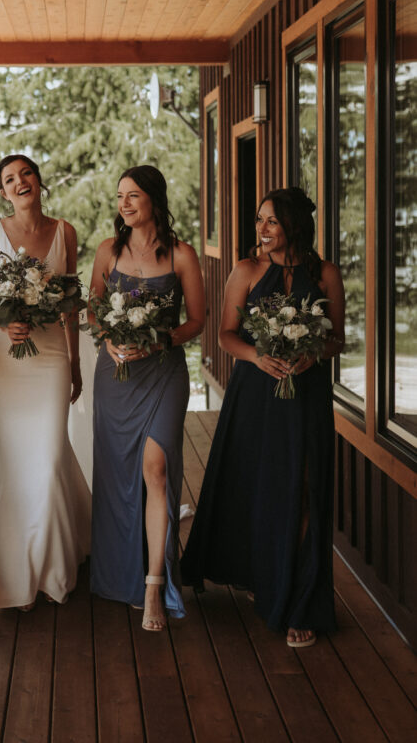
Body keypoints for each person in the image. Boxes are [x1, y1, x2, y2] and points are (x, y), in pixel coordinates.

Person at [181, 187, 345, 648]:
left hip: (307, 394)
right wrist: (257, 357)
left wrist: (314, 355)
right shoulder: (247, 271)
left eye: (271, 221)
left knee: (306, 487)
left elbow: (337, 338)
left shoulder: (325, 273)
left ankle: (302, 602)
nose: (262, 230)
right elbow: (225, 335)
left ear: (294, 224)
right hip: (256, 393)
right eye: (259, 221)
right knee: (256, 483)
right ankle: (260, 573)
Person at [0, 154, 90, 610]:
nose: (20, 183)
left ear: (39, 181)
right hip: (3, 359)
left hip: (51, 356)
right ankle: (13, 569)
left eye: (26, 175)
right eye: (10, 179)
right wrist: (3, 325)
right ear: (3, 191)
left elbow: (71, 304)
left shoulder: (65, 232)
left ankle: (52, 566)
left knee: (49, 455)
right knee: (10, 460)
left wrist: (75, 362)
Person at [89, 165, 205, 631]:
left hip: (163, 372)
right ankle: (122, 573)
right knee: (119, 474)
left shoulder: (181, 254)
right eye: (120, 196)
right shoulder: (106, 252)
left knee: (156, 469)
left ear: (154, 199)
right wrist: (110, 341)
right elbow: (95, 313)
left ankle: (155, 584)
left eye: (134, 195)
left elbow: (196, 320)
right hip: (115, 375)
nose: (125, 204)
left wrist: (160, 342)